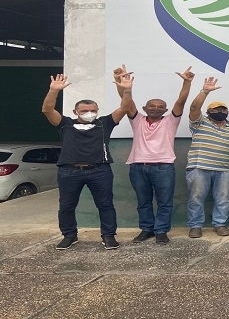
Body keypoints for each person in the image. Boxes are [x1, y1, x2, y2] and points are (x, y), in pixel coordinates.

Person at [42, 73, 134, 250]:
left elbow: (125, 107)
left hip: (99, 170)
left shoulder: (105, 123)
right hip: (69, 171)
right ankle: (69, 236)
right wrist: (53, 91)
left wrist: (127, 90)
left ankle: (108, 236)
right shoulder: (65, 123)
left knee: (105, 205)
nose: (89, 113)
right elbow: (47, 110)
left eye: (93, 110)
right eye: (84, 111)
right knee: (67, 206)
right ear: (75, 112)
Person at [113, 65, 194, 246]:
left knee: (165, 202)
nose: (156, 109)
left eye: (160, 107)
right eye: (152, 106)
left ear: (165, 110)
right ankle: (147, 229)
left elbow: (181, 101)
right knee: (143, 202)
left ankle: (161, 231)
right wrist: (122, 84)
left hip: (163, 167)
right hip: (138, 167)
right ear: (145, 108)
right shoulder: (137, 119)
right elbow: (126, 103)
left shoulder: (171, 121)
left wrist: (187, 82)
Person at [185, 77, 229, 238]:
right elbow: (194, 107)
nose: (220, 112)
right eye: (216, 110)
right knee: (196, 198)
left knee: (223, 198)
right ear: (208, 112)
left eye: (223, 110)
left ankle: (220, 224)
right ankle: (195, 226)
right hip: (199, 168)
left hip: (225, 169)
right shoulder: (199, 123)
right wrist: (204, 92)